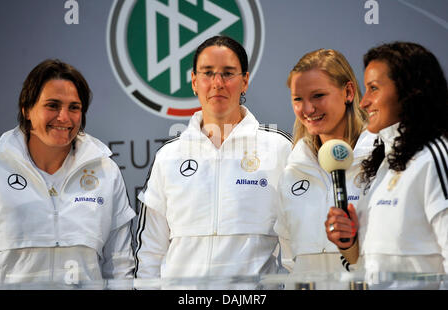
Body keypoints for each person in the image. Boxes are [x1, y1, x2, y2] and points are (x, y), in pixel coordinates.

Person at [134, 36, 292, 288]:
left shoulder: (278, 149)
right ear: (194, 82)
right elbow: (150, 252)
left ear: (245, 81)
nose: (218, 83)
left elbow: (296, 245)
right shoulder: (169, 156)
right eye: (208, 73)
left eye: (228, 73)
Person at [0, 59, 135, 286]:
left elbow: (119, 264)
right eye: (52, 105)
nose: (64, 117)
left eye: (74, 107)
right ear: (27, 110)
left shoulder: (105, 171)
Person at [325, 42, 448, 289]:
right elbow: (370, 267)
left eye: (373, 89)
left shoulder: (435, 156)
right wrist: (348, 243)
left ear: (410, 90)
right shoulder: (382, 165)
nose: (364, 102)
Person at [274, 49, 375, 289]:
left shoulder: (382, 160)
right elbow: (291, 261)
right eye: (298, 99)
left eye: (318, 95)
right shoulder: (291, 172)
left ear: (348, 92)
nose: (307, 109)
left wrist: (351, 245)